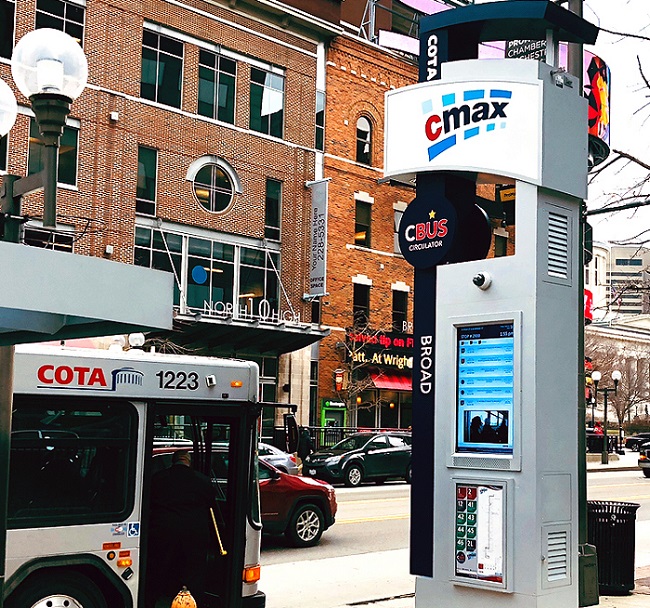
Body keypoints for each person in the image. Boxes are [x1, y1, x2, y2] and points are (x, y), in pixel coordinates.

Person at [146, 450, 217, 608]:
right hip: (194, 534)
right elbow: (211, 504)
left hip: (163, 531)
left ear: (173, 461)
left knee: (159, 569)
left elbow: (149, 503)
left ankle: (153, 600)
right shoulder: (203, 480)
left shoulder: (158, 479)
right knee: (193, 573)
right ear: (188, 461)